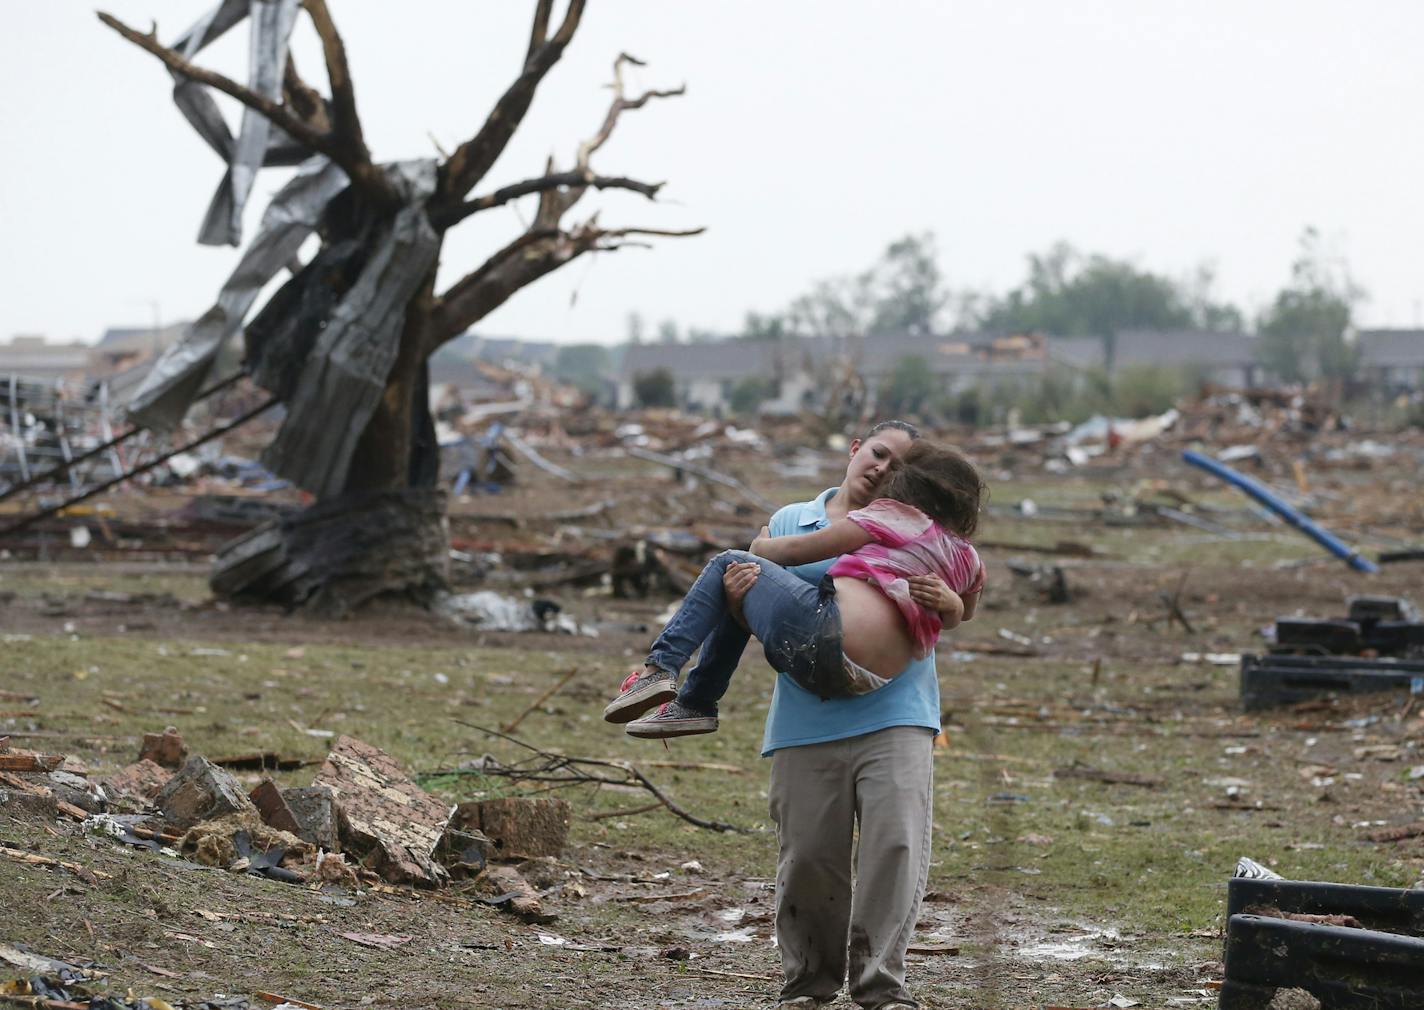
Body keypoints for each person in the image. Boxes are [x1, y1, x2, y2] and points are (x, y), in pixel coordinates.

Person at [621, 420, 983, 1010]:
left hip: (897, 715)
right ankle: (808, 988)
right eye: (878, 453)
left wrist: (954, 606)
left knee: (895, 850)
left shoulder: (927, 528)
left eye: (900, 464)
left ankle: (882, 991)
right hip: (806, 720)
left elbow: (965, 595)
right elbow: (759, 603)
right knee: (810, 861)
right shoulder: (793, 521)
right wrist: (740, 597)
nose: (883, 468)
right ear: (854, 450)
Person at [602, 439, 985, 729]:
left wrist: (760, 545)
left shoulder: (893, 514)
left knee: (730, 565)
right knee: (742, 583)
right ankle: (695, 703)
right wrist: (949, 603)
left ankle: (661, 671)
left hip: (827, 637)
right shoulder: (968, 557)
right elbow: (964, 612)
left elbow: (797, 551)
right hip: (868, 680)